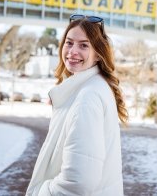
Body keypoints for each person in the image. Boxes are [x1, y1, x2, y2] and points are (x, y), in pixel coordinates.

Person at [25, 14, 128, 196]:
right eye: (69, 42)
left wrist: (42, 192)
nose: (73, 51)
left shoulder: (87, 97)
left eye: (84, 45)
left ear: (98, 54)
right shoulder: (90, 87)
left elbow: (78, 183)